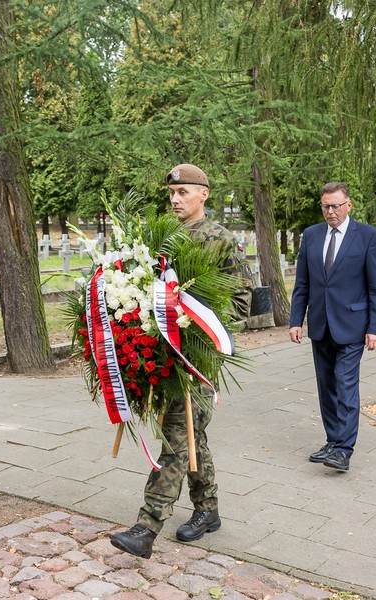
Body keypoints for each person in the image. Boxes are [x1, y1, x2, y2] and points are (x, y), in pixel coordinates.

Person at [109, 163, 252, 558]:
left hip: (199, 359)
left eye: (183, 193)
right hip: (162, 356)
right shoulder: (162, 238)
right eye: (171, 194)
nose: (174, 200)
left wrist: (193, 327)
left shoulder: (222, 241)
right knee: (192, 433)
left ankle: (147, 525)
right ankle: (207, 510)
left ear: (203, 194)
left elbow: (241, 303)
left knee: (176, 435)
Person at [288, 181, 376, 472]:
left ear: (348, 205)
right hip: (320, 324)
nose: (330, 212)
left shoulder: (367, 236)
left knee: (345, 385)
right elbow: (302, 283)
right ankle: (333, 441)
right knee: (327, 386)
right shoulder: (311, 235)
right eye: (325, 206)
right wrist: (296, 320)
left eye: (335, 206)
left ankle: (344, 449)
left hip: (353, 326)